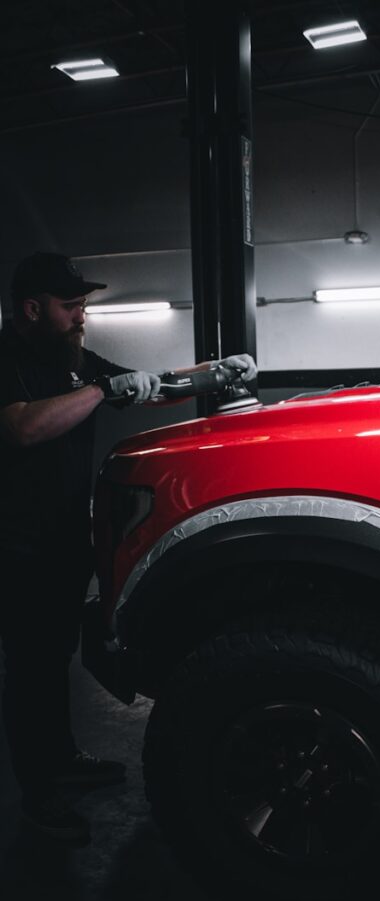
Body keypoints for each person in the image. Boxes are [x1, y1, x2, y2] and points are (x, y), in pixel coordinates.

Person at [0, 251, 256, 843]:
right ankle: (38, 795)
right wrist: (99, 390)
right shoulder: (8, 358)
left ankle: (62, 759)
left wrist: (213, 373)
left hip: (63, 542)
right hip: (16, 547)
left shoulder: (75, 362)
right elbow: (21, 427)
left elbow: (151, 388)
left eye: (82, 305)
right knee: (29, 671)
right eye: (69, 307)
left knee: (54, 660)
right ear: (32, 309)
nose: (80, 316)